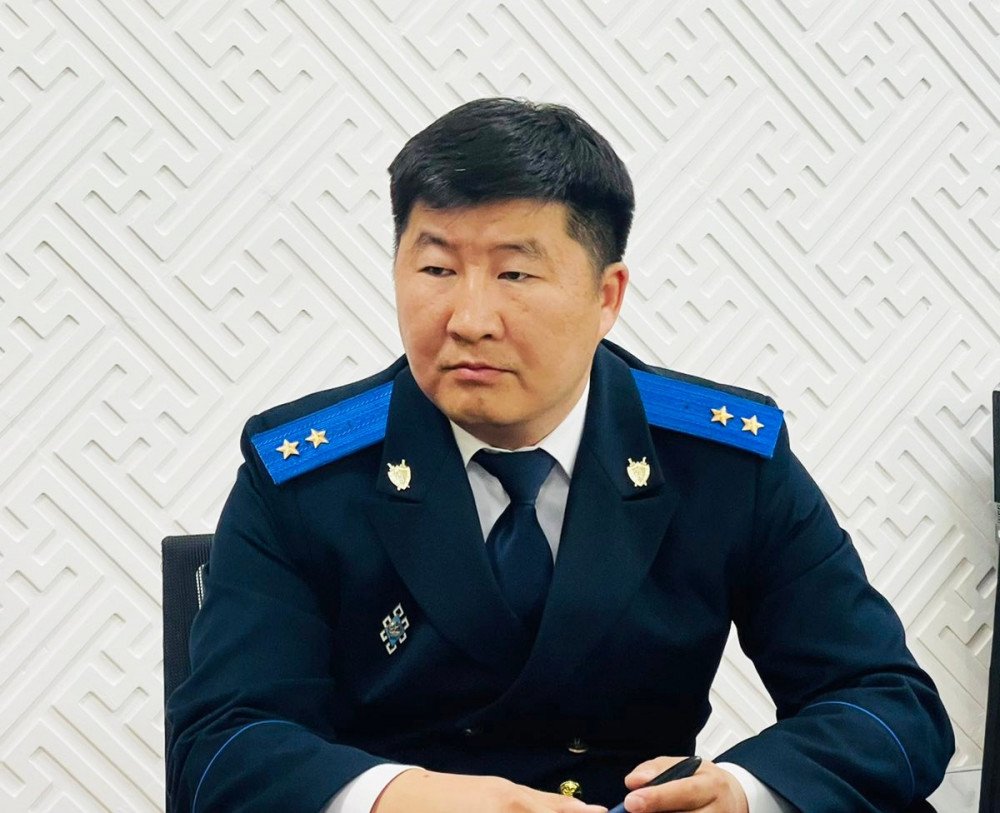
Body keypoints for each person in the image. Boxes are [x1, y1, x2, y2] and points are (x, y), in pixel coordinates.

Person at [166, 98, 954, 813]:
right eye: (436, 268)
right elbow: (222, 746)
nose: (469, 318)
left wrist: (745, 792)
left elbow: (888, 704)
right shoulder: (305, 474)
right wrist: (400, 797)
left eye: (515, 273)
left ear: (607, 296)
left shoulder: (720, 459)